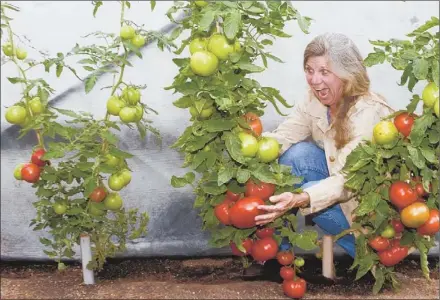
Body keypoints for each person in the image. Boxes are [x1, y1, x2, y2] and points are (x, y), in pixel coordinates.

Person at [248, 32, 394, 276]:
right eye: (309, 70)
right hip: (336, 180)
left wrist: (303, 197)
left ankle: (368, 259)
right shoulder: (313, 100)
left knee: (315, 191)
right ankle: (278, 257)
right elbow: (284, 136)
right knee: (294, 157)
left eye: (325, 72)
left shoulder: (368, 113)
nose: (315, 80)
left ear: (348, 74)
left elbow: (347, 181)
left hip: (363, 201)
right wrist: (245, 147)